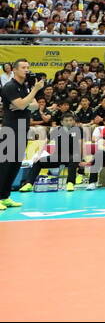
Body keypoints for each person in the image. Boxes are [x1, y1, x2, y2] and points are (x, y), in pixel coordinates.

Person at [0, 59, 43, 210]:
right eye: (23, 67)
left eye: (28, 67)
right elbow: (22, 104)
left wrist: (25, 103)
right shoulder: (9, 86)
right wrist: (33, 92)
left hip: (22, 129)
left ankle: (5, 197)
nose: (27, 70)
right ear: (15, 70)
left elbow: (35, 105)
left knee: (15, 165)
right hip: (10, 130)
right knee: (5, 165)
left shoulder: (24, 86)